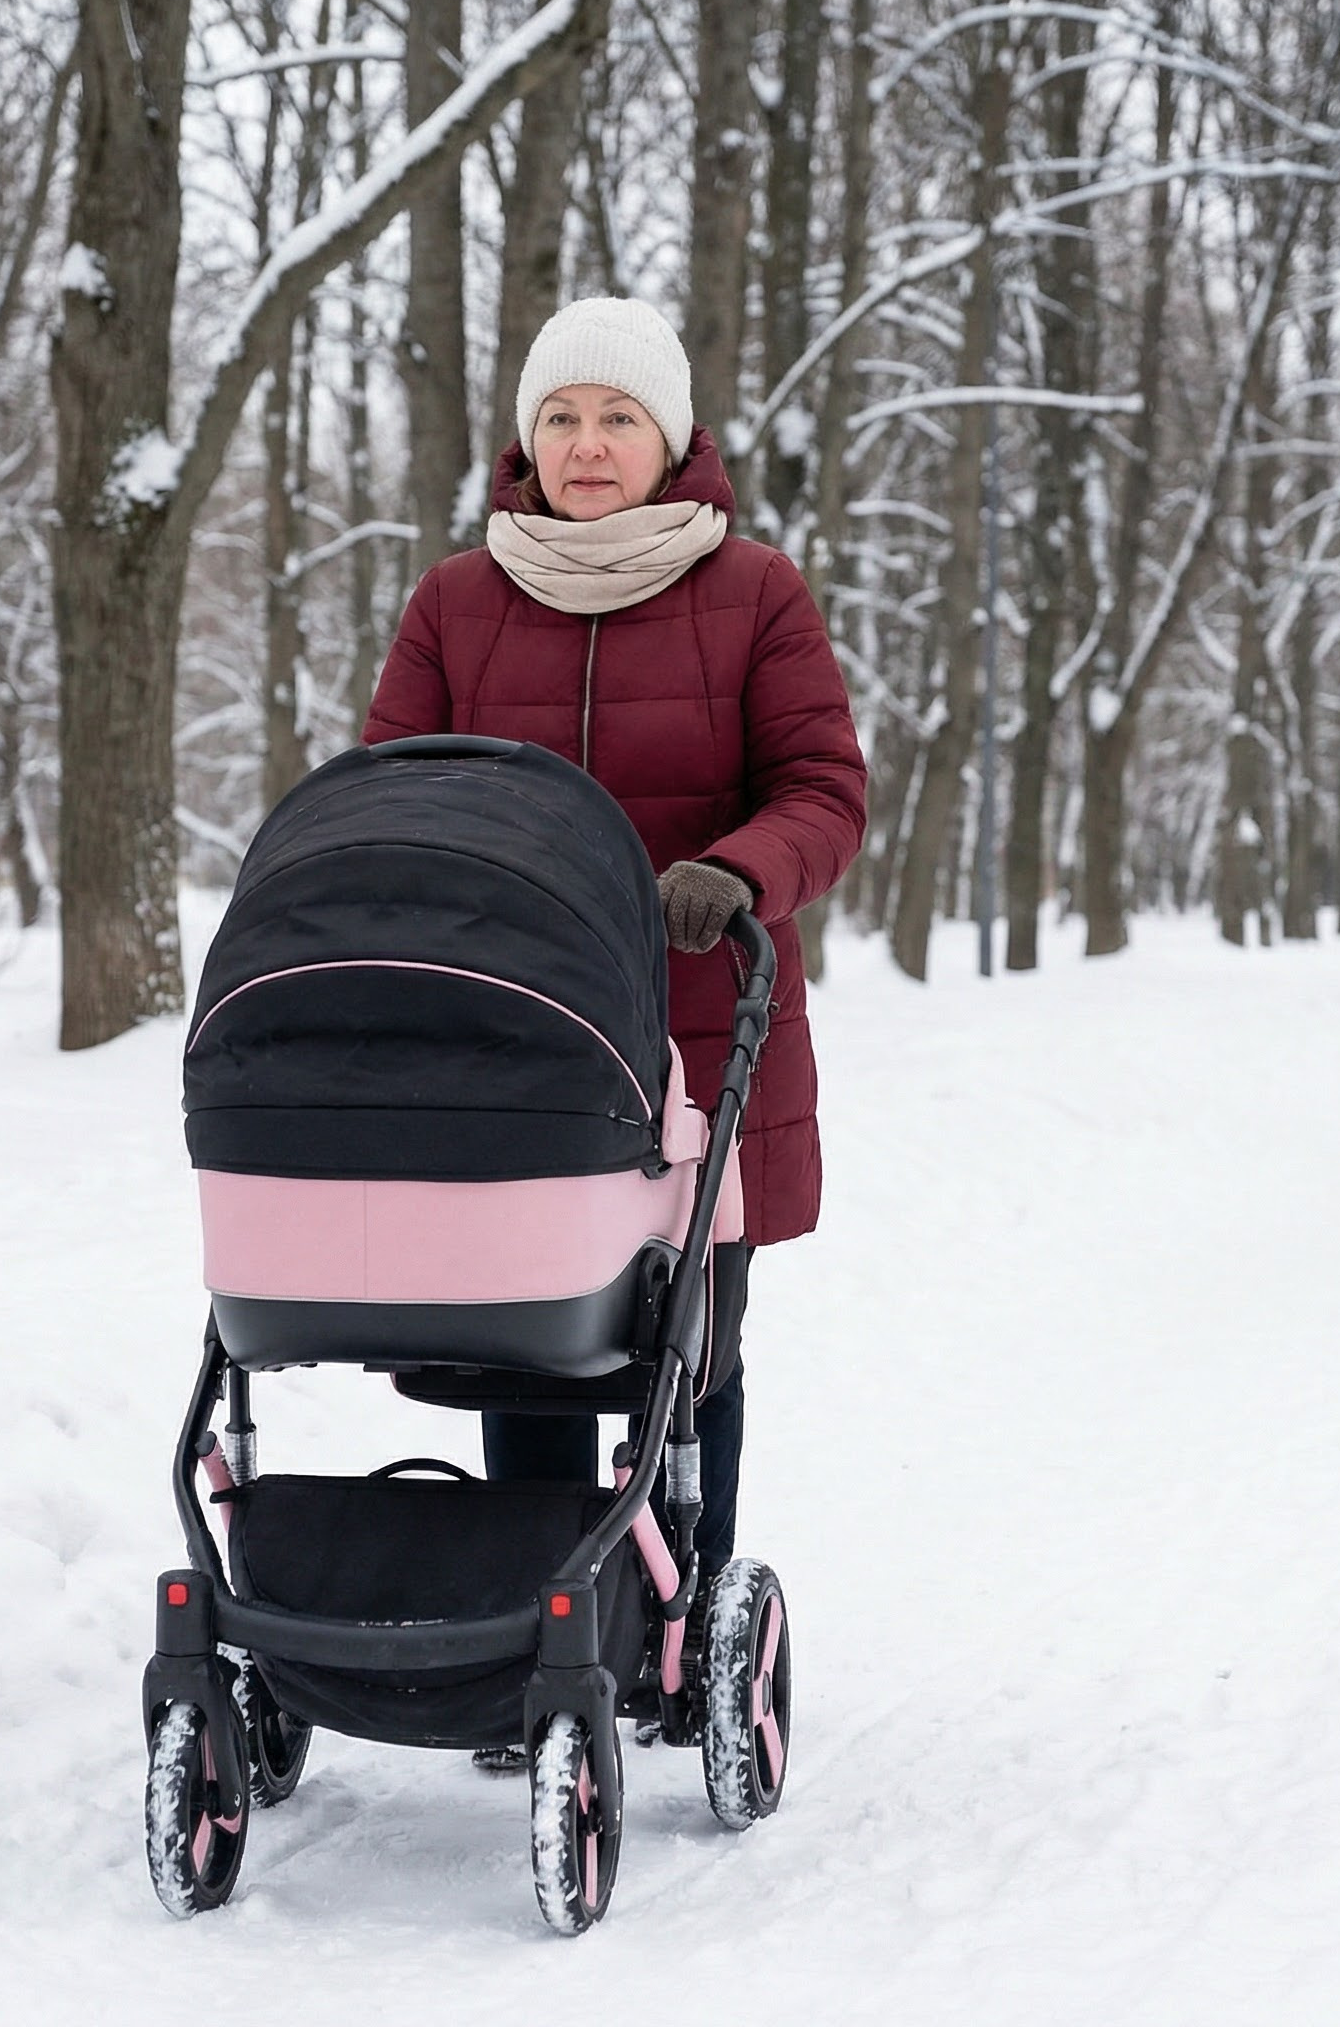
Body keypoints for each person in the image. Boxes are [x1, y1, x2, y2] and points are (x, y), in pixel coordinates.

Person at [360, 297, 867, 1749]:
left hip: (699, 1033)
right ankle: (537, 1624)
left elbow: (826, 791)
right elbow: (390, 788)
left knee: (684, 1346)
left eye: (619, 418)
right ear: (528, 437)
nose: (587, 446)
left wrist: (738, 873)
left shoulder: (754, 590)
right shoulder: (458, 600)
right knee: (526, 1334)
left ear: (672, 439)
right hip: (507, 1036)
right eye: (563, 418)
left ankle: (689, 1609)